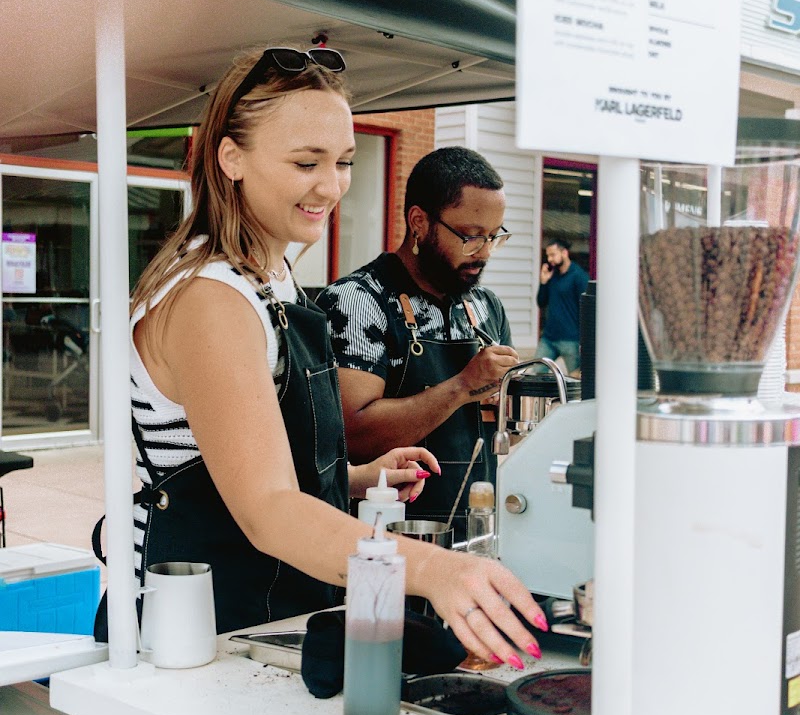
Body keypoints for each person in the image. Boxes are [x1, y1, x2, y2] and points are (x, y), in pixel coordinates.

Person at [94, 49, 546, 669]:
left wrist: (355, 478)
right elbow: (267, 509)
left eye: (343, 162)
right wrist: (433, 569)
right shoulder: (211, 298)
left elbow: (244, 463)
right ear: (232, 159)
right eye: (306, 162)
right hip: (187, 635)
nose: (331, 185)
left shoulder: (272, 278)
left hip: (265, 617)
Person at [317, 147, 519, 542]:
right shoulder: (359, 301)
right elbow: (351, 434)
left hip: (478, 531)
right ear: (419, 222)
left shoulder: (485, 306)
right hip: (385, 537)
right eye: (470, 236)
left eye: (494, 236)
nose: (484, 253)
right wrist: (462, 387)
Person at [535, 238, 588, 374]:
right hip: (549, 338)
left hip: (570, 339)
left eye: (553, 255)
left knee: (575, 379)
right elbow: (541, 302)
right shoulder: (552, 275)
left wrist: (584, 341)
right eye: (548, 255)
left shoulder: (579, 276)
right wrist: (543, 282)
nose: (549, 259)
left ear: (564, 252)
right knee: (537, 373)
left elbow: (585, 309)